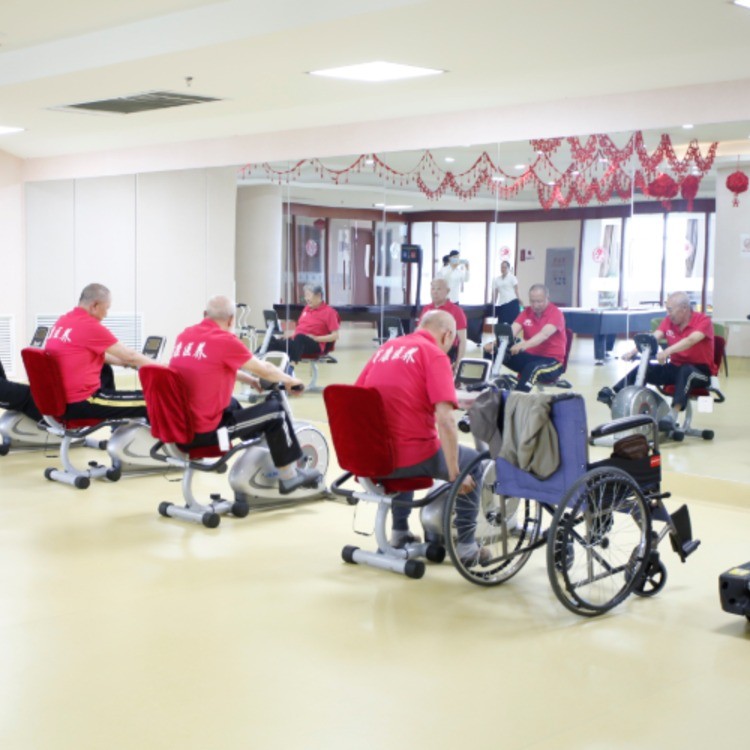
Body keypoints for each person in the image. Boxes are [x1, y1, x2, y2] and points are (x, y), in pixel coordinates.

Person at [355, 309, 488, 564]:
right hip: (411, 455)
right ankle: (467, 547)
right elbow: (446, 421)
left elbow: (355, 398)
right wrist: (455, 473)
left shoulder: (385, 349)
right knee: (475, 463)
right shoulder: (434, 354)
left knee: (405, 449)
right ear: (447, 335)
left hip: (374, 455)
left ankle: (400, 532)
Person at [170, 295, 322, 495]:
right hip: (207, 432)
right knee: (276, 411)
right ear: (231, 320)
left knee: (232, 403)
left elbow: (215, 367)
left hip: (182, 426)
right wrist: (291, 380)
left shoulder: (185, 336)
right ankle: (289, 476)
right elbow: (266, 369)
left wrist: (250, 380)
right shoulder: (224, 340)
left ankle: (263, 443)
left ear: (205, 314)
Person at [597, 291, 715, 438]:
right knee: (645, 369)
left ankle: (671, 417)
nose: (668, 314)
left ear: (684, 308)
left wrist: (667, 352)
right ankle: (615, 395)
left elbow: (690, 340)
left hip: (701, 372)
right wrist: (633, 351)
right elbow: (653, 338)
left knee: (686, 371)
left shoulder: (703, 321)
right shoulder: (669, 321)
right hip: (675, 367)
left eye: (670, 310)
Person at [44, 283, 156, 420]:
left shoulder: (63, 321)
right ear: (95, 306)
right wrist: (163, 367)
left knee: (105, 370)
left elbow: (94, 356)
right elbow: (130, 356)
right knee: (155, 399)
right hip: (83, 401)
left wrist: (125, 363)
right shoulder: (88, 325)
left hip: (62, 400)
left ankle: (118, 424)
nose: (106, 314)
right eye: (106, 308)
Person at [489, 283, 566, 391]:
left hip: (552, 361)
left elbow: (543, 335)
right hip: (530, 357)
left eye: (539, 301)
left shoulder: (556, 313)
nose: (535, 305)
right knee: (492, 352)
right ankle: (487, 387)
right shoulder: (526, 312)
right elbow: (511, 331)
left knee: (533, 368)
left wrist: (524, 345)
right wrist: (494, 344)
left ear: (547, 298)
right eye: (532, 301)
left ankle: (517, 398)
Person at [265, 284, 340, 363]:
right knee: (272, 341)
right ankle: (257, 360)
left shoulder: (330, 312)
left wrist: (316, 338)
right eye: (305, 296)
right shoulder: (306, 309)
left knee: (300, 337)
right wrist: (291, 333)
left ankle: (291, 362)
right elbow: (301, 328)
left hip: (314, 344)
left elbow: (335, 335)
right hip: (297, 342)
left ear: (318, 295)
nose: (306, 299)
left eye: (308, 295)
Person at [418, 278, 467, 367]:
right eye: (433, 289)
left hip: (447, 350)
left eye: (439, 289)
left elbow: (462, 340)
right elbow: (419, 333)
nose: (435, 292)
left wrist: (458, 363)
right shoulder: (426, 309)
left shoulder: (456, 311)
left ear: (447, 291)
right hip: (426, 349)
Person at [491, 260, 521, 325]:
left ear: (508, 268)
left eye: (505, 267)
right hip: (502, 304)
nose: (503, 269)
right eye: (502, 267)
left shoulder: (512, 277)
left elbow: (516, 290)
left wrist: (519, 300)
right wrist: (492, 304)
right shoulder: (497, 279)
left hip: (512, 302)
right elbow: (495, 293)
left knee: (512, 324)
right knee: (501, 324)